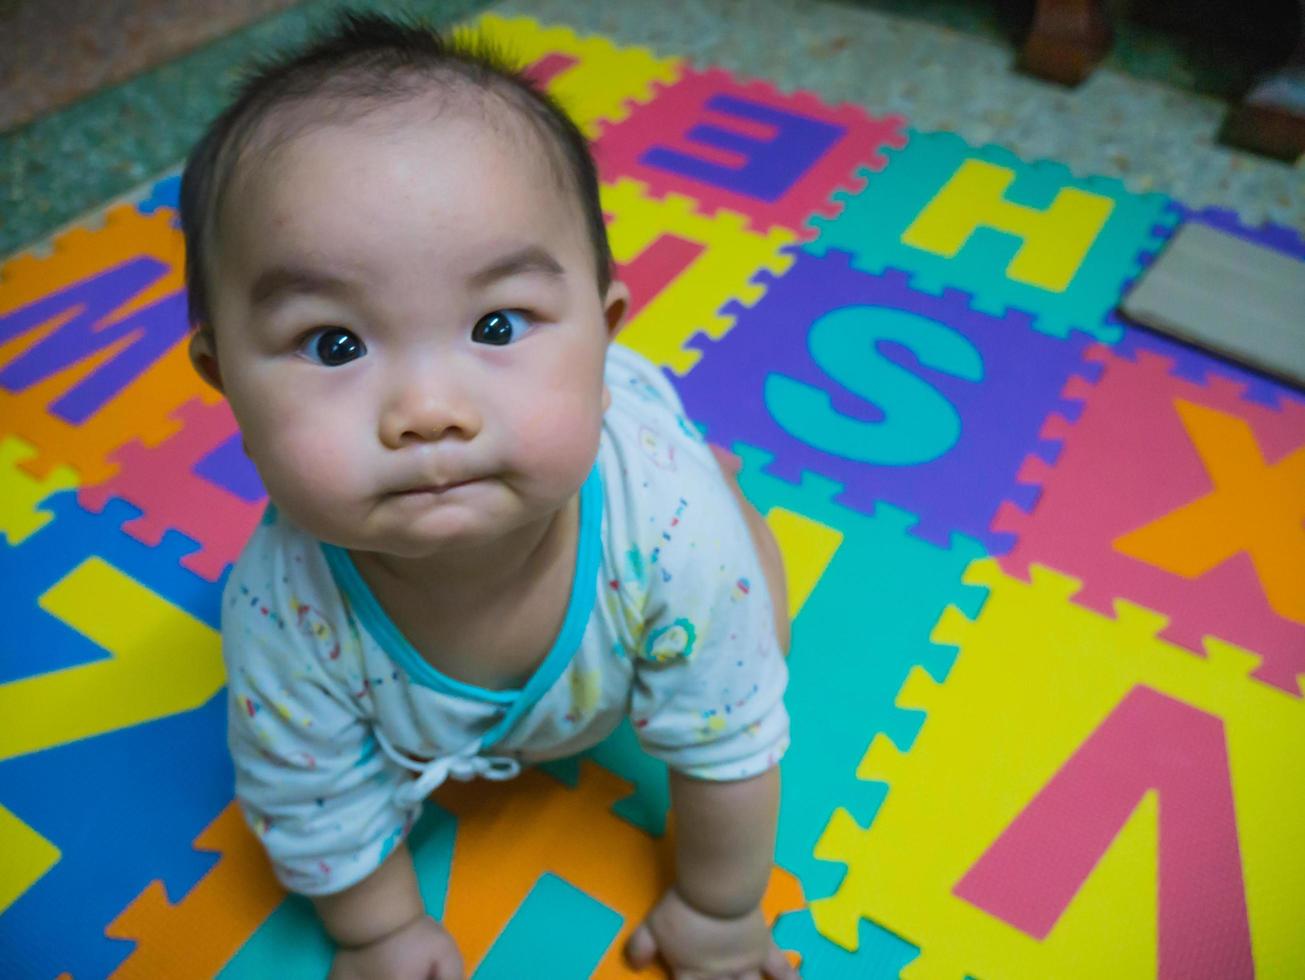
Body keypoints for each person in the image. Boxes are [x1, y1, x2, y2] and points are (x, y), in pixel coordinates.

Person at [180, 11, 795, 979]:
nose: (429, 410)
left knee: (748, 597)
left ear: (601, 329)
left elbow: (728, 743)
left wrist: (720, 912)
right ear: (224, 382)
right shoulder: (282, 607)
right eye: (335, 343)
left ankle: (703, 462)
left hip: (663, 524)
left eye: (500, 323)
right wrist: (377, 929)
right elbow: (314, 796)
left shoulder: (674, 538)